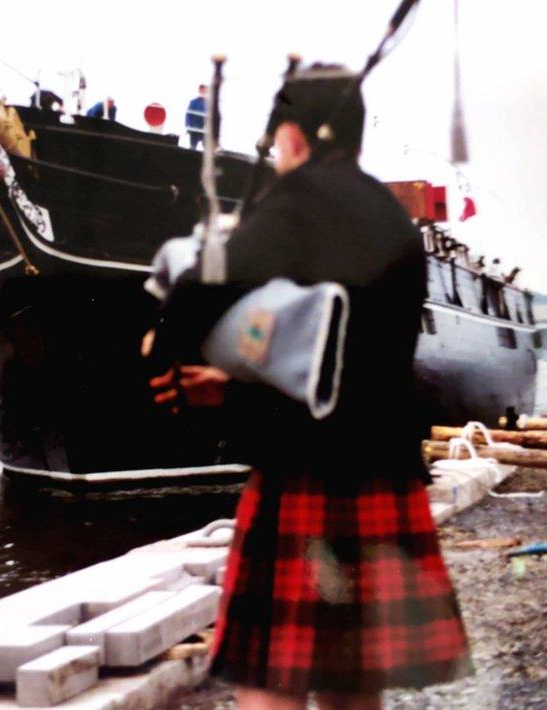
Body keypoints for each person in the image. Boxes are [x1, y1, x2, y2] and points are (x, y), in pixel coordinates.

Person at [148, 64, 472, 709]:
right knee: (355, 686)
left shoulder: (297, 203)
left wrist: (166, 347)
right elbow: (352, 371)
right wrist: (236, 388)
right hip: (383, 478)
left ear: (294, 136)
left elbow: (208, 283)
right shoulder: (394, 221)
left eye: (274, 142)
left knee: (272, 680)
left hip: (303, 479)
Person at [185, 84, 207, 149]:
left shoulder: (209, 104)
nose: (202, 92)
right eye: (201, 90)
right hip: (194, 129)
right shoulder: (193, 102)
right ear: (199, 91)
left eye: (204, 90)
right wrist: (188, 126)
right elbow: (188, 115)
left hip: (204, 130)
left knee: (206, 149)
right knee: (193, 147)